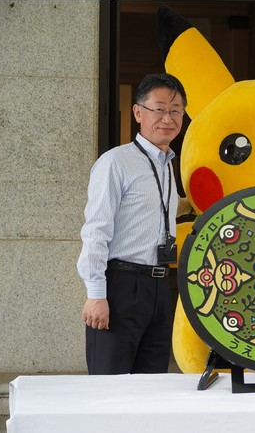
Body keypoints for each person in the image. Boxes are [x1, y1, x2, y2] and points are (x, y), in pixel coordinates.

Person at [77, 73, 187, 374]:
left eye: (176, 110)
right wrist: (96, 295)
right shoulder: (116, 162)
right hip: (122, 286)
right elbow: (96, 230)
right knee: (109, 387)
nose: (168, 118)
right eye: (160, 108)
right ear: (138, 112)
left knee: (151, 388)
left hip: (159, 286)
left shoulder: (167, 164)